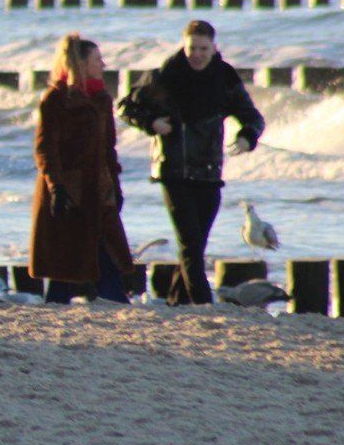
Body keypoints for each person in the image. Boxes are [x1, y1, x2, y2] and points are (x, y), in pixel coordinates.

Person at [118, 19, 266, 304]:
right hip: (173, 172)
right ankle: (202, 304)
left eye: (202, 48)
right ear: (183, 46)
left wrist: (248, 136)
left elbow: (253, 117)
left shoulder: (224, 77)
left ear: (213, 47)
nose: (196, 54)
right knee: (190, 243)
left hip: (209, 173)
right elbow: (126, 107)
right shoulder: (165, 75)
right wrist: (152, 122)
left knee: (196, 246)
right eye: (191, 48)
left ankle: (177, 302)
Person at [31, 34, 136, 304]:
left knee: (106, 252)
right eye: (97, 59)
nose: (103, 64)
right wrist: (57, 187)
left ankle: (115, 301)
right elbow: (45, 149)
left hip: (99, 189)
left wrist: (116, 186)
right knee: (67, 261)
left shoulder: (102, 99)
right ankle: (61, 308)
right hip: (69, 192)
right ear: (81, 64)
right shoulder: (55, 99)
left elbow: (109, 149)